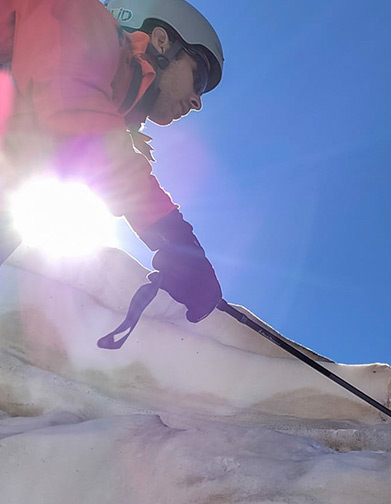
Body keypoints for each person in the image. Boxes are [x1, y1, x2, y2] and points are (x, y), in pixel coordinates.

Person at [0, 0, 224, 323]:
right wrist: (173, 235)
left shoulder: (100, 99)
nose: (197, 101)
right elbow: (78, 117)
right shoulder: (80, 16)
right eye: (198, 77)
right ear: (162, 41)